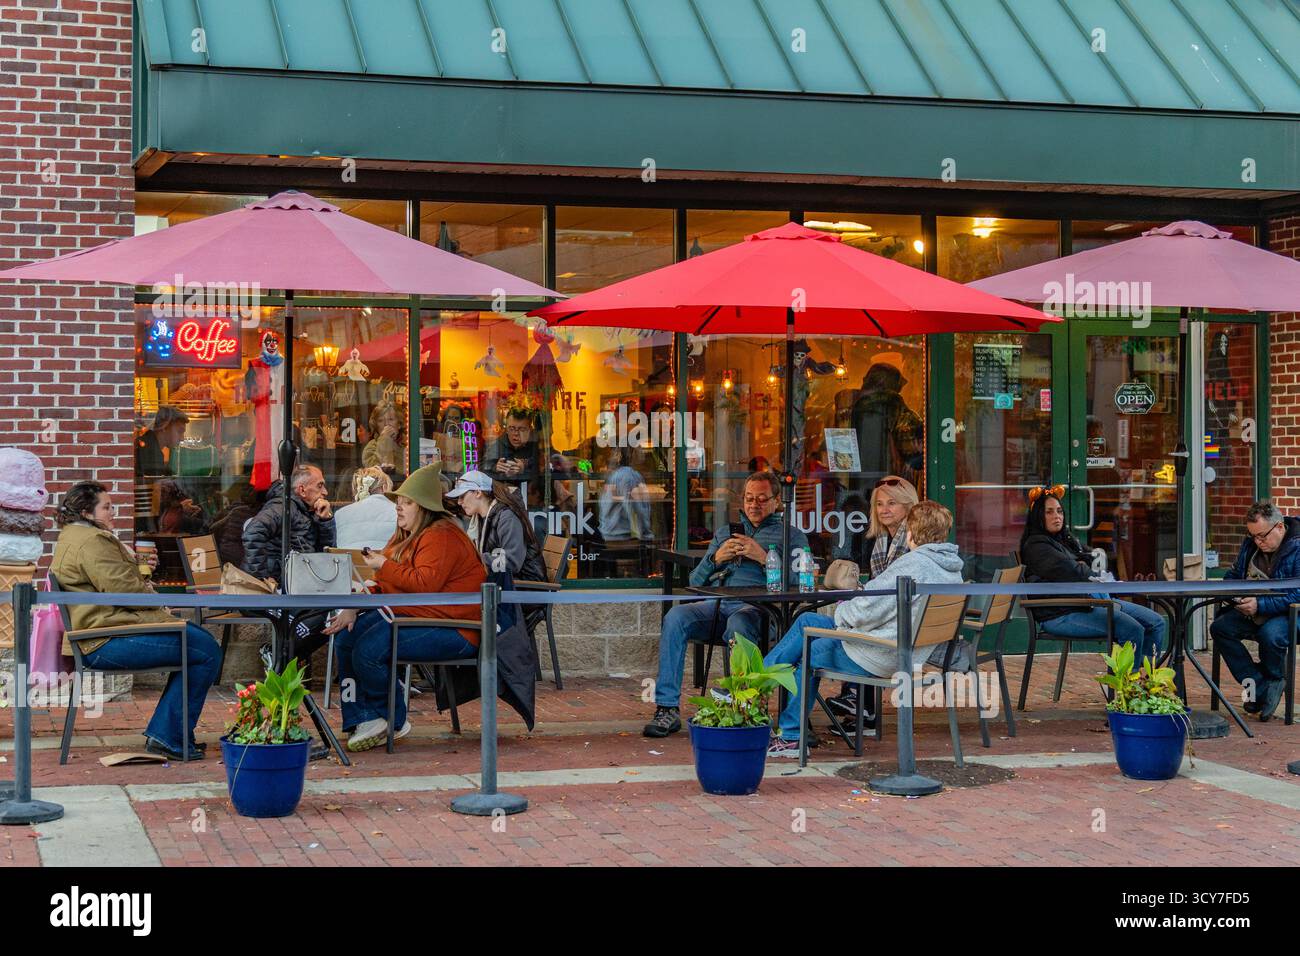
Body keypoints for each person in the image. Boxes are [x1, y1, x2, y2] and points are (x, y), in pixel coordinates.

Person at [763, 500, 963, 757]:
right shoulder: (952, 569)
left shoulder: (912, 565)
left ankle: (789, 734)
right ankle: (758, 682)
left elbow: (864, 612)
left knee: (808, 651)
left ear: (910, 532)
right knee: (806, 622)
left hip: (881, 653)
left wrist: (843, 613)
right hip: (908, 651)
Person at [50, 481, 221, 760]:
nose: (112, 512)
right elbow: (124, 591)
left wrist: (142, 577)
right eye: (106, 507)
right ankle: (168, 737)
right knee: (205, 650)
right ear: (86, 512)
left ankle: (170, 734)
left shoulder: (72, 536)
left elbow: (115, 585)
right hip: (104, 640)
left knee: (197, 641)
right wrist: (150, 592)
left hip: (100, 633)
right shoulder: (92, 541)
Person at [323, 464, 487, 752]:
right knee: (348, 637)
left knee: (369, 649)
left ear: (423, 506)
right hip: (422, 616)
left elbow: (422, 585)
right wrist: (354, 604)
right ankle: (362, 718)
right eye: (398, 502)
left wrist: (384, 566)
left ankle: (391, 719)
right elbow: (385, 582)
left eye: (406, 503)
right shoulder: (406, 534)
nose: (398, 508)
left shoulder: (442, 535)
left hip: (458, 628)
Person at [643, 471, 809, 738]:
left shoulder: (792, 537)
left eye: (762, 499)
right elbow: (694, 583)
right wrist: (715, 559)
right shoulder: (725, 533)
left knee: (739, 621)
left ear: (777, 502)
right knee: (677, 616)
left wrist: (764, 557)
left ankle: (743, 706)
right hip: (719, 606)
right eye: (749, 498)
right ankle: (667, 708)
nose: (754, 505)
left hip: (762, 613)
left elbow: (801, 584)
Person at [1020, 486, 1165, 666]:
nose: (1056, 516)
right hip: (1060, 613)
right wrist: (1085, 568)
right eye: (1049, 512)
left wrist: (1085, 566)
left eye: (1059, 511)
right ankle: (1129, 688)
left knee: (1156, 622)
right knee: (1132, 629)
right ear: (1038, 517)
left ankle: (1146, 680)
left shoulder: (1063, 540)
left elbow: (1093, 558)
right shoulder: (1037, 546)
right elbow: (1075, 572)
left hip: (1085, 602)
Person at [827, 475, 920, 719]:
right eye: (879, 504)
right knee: (855, 617)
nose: (884, 510)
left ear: (908, 505)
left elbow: (896, 591)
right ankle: (860, 706)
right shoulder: (882, 539)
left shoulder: (913, 540)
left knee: (851, 626)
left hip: (906, 624)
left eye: (892, 503)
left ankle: (860, 703)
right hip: (895, 614)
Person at [1209, 500, 1300, 721]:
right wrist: (1235, 596)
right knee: (1220, 628)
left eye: (1263, 536)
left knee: (1270, 635)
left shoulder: (1298, 547)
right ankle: (1259, 687)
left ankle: (1274, 678)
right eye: (1254, 536)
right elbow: (1232, 576)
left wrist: (1260, 605)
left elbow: (1298, 593)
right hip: (1254, 609)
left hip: (1291, 612)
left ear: (1280, 527)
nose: (1258, 542)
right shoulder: (1250, 545)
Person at [241, 464, 337, 667]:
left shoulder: (306, 511)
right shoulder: (281, 507)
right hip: (270, 594)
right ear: (302, 490)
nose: (325, 492)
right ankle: (279, 660)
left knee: (336, 614)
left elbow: (326, 552)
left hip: (297, 588)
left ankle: (278, 659)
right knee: (326, 614)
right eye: (320, 486)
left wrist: (325, 521)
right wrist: (262, 580)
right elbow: (252, 533)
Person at [445, 469, 546, 584]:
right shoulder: (482, 518)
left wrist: (472, 558)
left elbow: (512, 562)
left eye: (462, 496)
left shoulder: (507, 517)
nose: (459, 502)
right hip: (503, 583)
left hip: (522, 589)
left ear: (478, 493)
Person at [334, 467, 397, 551]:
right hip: (385, 563)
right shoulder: (399, 512)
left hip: (350, 563)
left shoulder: (340, 514)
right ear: (384, 487)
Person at [484, 407, 543, 491]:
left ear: (529, 430)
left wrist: (524, 468)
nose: (516, 433)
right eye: (511, 429)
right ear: (506, 429)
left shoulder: (535, 443)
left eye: (521, 429)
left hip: (532, 494)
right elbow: (481, 466)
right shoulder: (497, 445)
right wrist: (495, 467)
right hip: (504, 495)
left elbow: (545, 465)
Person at [136, 406, 189, 477]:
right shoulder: (151, 452)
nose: (182, 438)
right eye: (180, 431)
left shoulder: (149, 444)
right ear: (164, 427)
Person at [362, 402, 402, 475]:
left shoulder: (408, 445)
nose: (386, 424)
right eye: (380, 420)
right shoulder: (371, 446)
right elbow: (376, 472)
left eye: (391, 419)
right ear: (376, 425)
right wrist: (384, 439)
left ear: (399, 424)